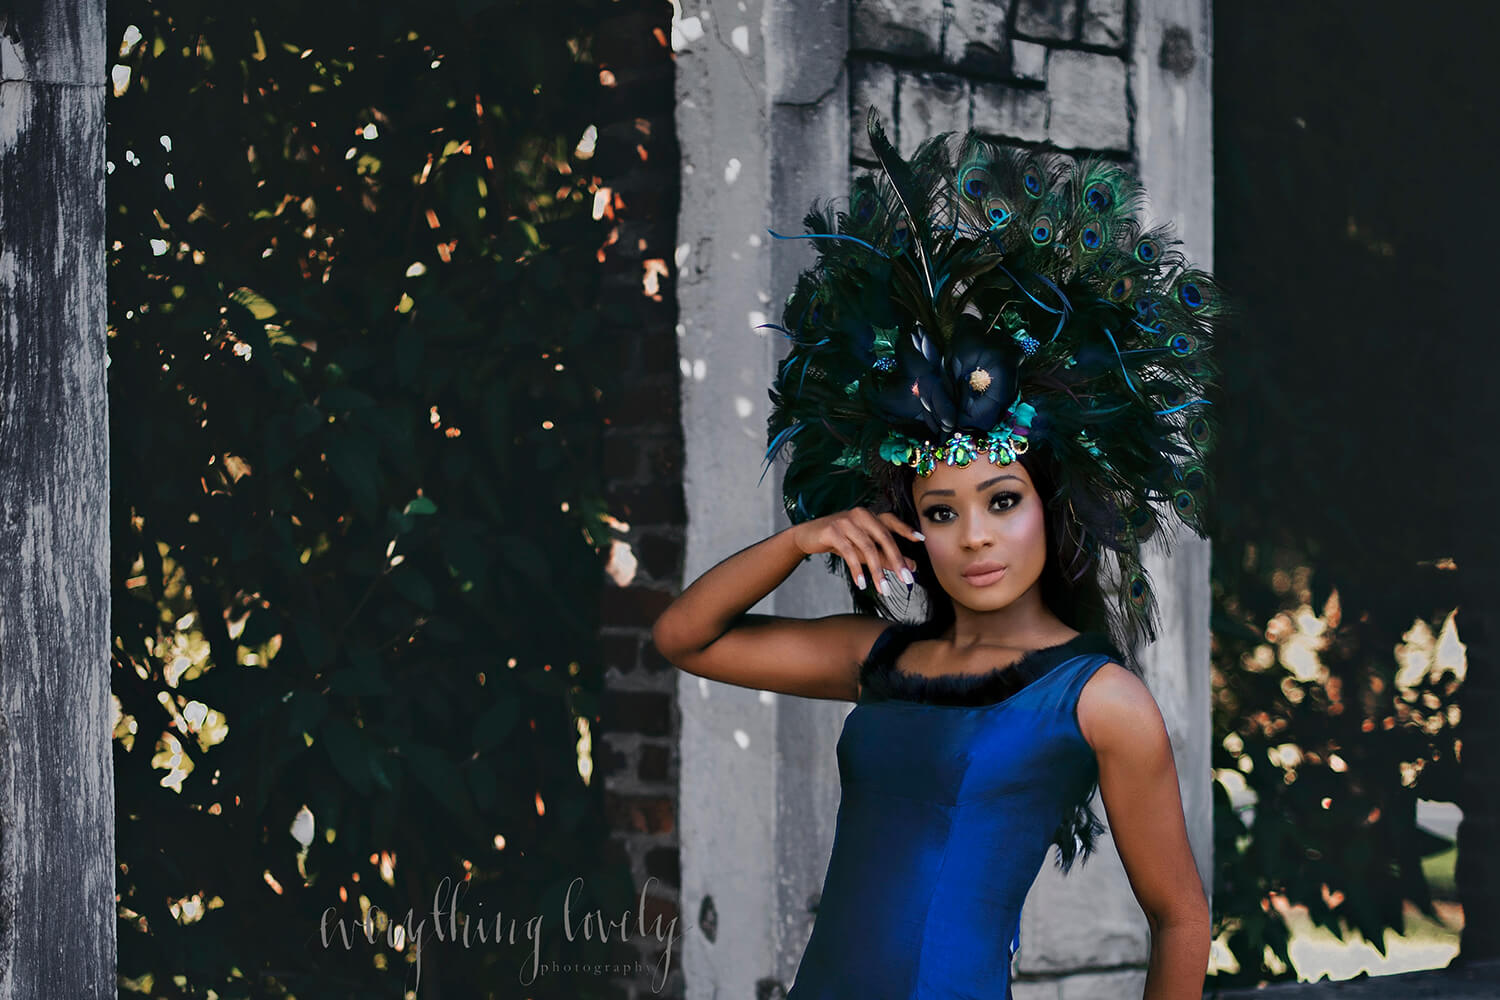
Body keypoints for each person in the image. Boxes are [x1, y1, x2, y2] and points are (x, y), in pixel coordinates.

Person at [651, 108, 1218, 999]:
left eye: (1002, 501)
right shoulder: (878, 657)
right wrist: (802, 538)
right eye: (942, 511)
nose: (976, 535)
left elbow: (1181, 915)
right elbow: (685, 638)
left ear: (1049, 509)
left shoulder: (1100, 700)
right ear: (913, 525)